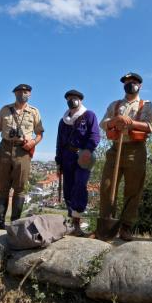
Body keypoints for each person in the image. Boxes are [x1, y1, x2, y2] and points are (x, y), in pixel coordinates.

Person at [97, 72, 152, 241]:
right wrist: (115, 120)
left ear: (140, 85)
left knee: (133, 189)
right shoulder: (115, 105)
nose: (130, 84)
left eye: (134, 82)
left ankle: (125, 227)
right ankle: (106, 228)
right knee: (107, 187)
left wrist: (130, 123)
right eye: (127, 82)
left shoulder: (146, 105)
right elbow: (103, 123)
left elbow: (150, 126)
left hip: (135, 150)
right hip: (115, 149)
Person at [0, 84, 44, 229]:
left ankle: (15, 223)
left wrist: (33, 143)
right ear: (15, 94)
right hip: (5, 148)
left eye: (26, 92)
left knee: (20, 188)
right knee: (3, 187)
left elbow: (40, 134)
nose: (22, 94)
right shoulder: (5, 109)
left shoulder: (34, 112)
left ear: (30, 94)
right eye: (20, 92)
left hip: (23, 151)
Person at [55, 89, 100, 236]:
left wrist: (88, 149)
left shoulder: (89, 115)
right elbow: (59, 142)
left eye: (74, 98)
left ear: (80, 100)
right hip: (67, 156)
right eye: (69, 98)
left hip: (83, 155)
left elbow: (95, 135)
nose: (71, 100)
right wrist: (58, 161)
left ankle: (77, 223)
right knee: (68, 188)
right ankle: (72, 223)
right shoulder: (63, 121)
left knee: (80, 185)